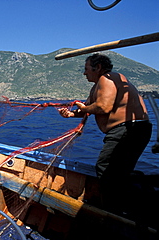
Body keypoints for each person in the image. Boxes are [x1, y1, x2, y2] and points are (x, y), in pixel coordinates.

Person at [58, 53, 152, 213]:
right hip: (133, 129)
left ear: (98, 67)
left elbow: (103, 107)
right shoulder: (98, 86)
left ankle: (115, 211)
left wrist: (85, 108)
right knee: (118, 170)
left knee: (105, 166)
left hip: (129, 129)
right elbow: (87, 109)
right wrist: (71, 114)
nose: (84, 73)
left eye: (86, 69)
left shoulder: (108, 78)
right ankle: (131, 204)